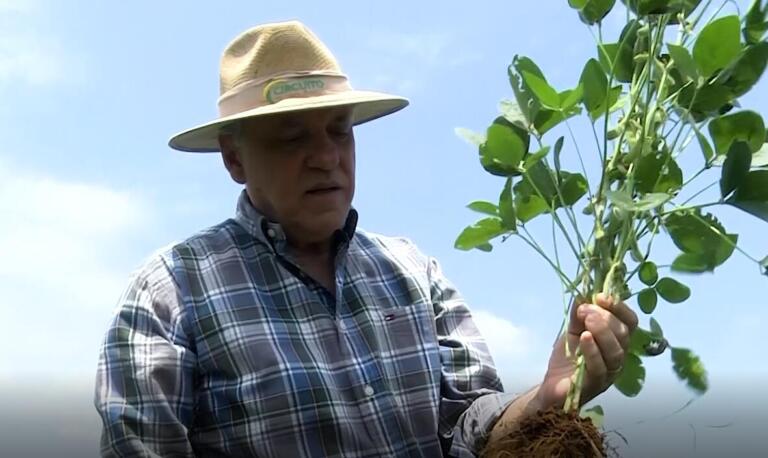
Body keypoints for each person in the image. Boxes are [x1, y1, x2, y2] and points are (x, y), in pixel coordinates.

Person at [94, 20, 638, 457]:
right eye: (292, 137)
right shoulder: (170, 292)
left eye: (339, 131)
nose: (327, 157)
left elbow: (469, 432)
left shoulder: (411, 271)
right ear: (235, 159)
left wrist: (549, 396)